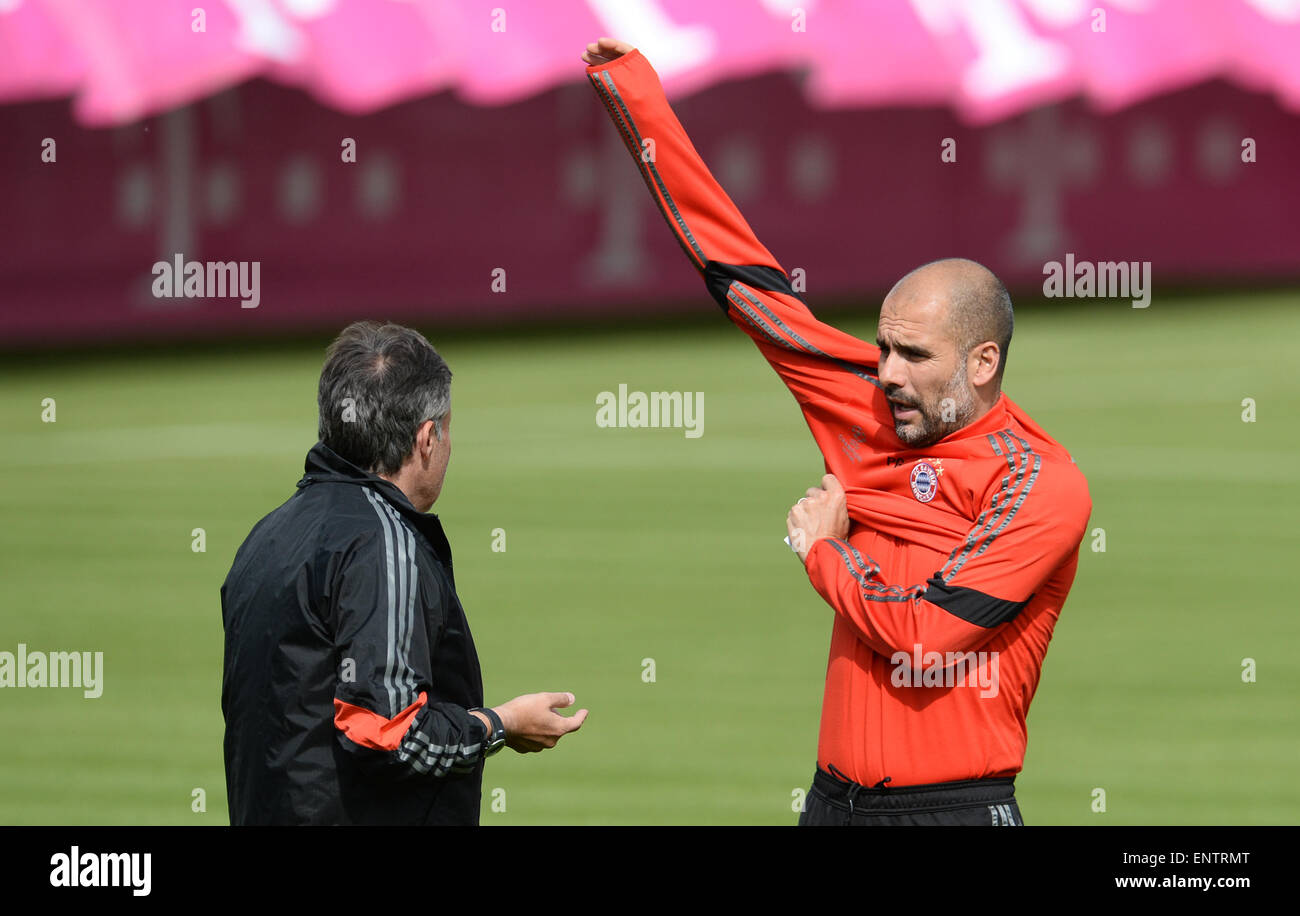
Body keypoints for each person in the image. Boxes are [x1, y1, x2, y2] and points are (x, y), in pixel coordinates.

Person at [582, 38, 1091, 825]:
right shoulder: (866, 399)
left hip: (954, 810)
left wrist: (824, 549)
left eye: (914, 355)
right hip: (830, 806)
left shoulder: (1040, 485)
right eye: (884, 346)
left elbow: (924, 640)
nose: (886, 372)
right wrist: (632, 91)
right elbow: (738, 273)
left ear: (983, 361)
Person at [221, 320, 587, 825]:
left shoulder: (266, 536)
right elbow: (388, 735)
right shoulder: (381, 541)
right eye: (447, 428)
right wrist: (499, 724)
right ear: (426, 439)